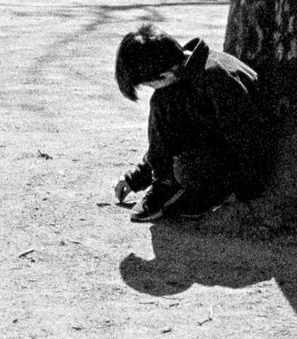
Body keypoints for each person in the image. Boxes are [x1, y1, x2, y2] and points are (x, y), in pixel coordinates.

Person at [111, 23, 266, 222]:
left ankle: (212, 194)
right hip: (208, 145)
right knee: (160, 103)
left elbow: (248, 141)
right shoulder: (180, 75)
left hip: (237, 161)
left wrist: (244, 191)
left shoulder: (218, 78)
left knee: (185, 169)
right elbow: (163, 141)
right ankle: (163, 186)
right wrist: (136, 177)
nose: (152, 88)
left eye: (150, 84)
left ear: (166, 74)